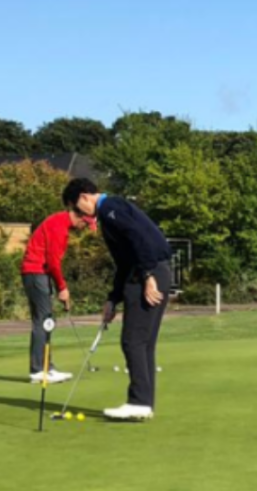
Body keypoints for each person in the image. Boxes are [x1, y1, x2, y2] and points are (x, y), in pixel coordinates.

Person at [62, 178, 172, 421]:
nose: (80, 215)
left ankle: (139, 402)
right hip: (150, 271)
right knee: (143, 343)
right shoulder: (112, 209)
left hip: (148, 273)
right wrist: (113, 298)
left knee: (133, 340)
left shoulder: (110, 209)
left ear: (84, 197)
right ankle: (144, 403)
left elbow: (138, 240)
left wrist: (147, 275)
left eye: (77, 209)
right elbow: (123, 260)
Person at [20, 206, 95, 383]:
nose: (85, 227)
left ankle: (47, 367)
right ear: (81, 218)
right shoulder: (59, 227)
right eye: (86, 223)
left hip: (38, 273)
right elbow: (53, 262)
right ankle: (38, 370)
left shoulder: (60, 222)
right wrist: (62, 287)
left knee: (47, 320)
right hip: (35, 272)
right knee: (43, 320)